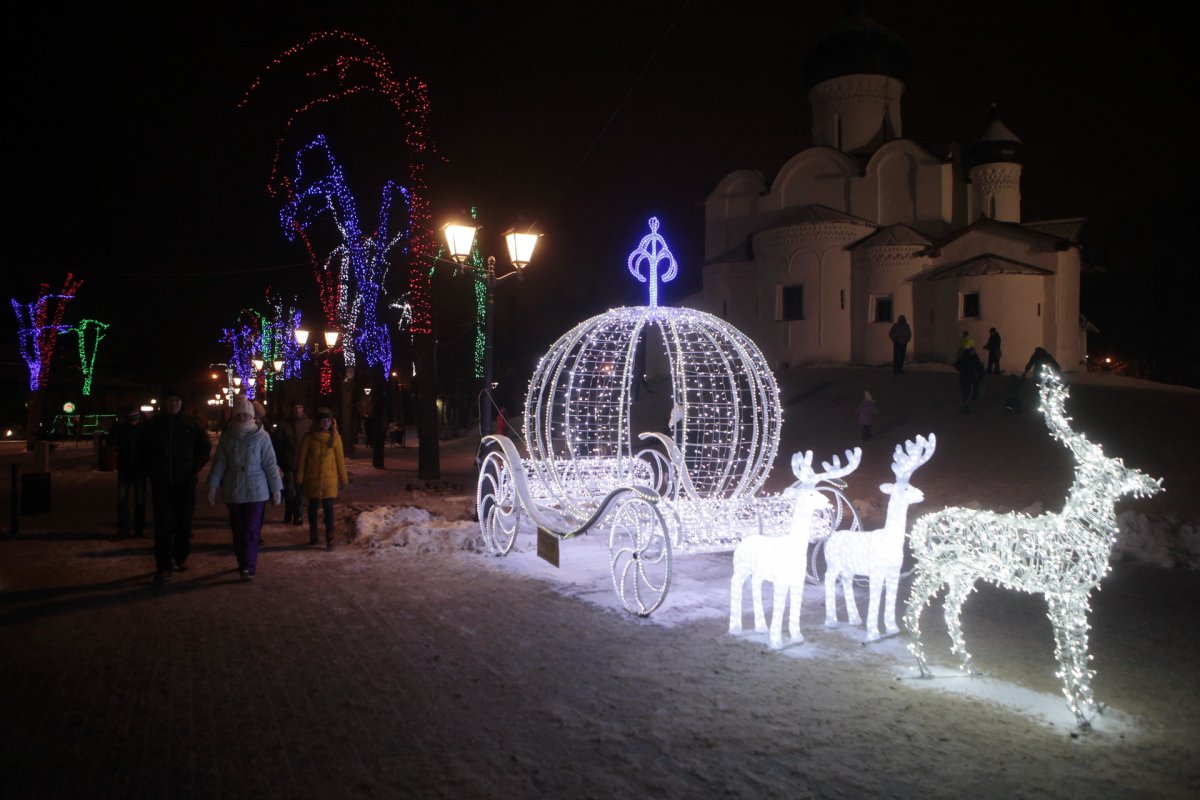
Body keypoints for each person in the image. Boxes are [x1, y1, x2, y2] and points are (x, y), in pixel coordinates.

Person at [139, 388, 211, 584]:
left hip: (185, 482)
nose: (173, 404)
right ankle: (163, 566)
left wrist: (194, 466)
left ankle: (181, 557)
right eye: (170, 400)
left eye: (177, 400)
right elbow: (142, 450)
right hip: (161, 482)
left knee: (183, 522)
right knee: (162, 525)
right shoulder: (153, 426)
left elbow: (204, 447)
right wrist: (150, 470)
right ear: (165, 403)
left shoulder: (191, 425)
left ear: (182, 403)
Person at [206, 395, 282, 580]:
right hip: (234, 490)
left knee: (251, 528)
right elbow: (220, 463)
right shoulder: (228, 437)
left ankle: (248, 566)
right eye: (238, 415)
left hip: (257, 490)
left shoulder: (262, 436)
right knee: (238, 529)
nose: (242, 418)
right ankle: (242, 562)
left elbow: (270, 464)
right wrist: (213, 485)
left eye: (245, 415)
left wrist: (276, 488)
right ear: (234, 417)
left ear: (252, 416)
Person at [297, 407, 349, 550]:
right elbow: (302, 461)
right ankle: (314, 535)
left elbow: (340, 460)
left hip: (329, 480)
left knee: (328, 509)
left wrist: (343, 479)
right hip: (313, 479)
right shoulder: (309, 438)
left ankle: (330, 538)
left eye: (328, 421)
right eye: (323, 421)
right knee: (313, 508)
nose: (326, 424)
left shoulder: (335, 437)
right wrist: (299, 480)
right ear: (318, 422)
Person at [106, 406, 146, 540]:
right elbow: (110, 441)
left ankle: (137, 529)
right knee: (123, 499)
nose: (133, 422)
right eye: (131, 420)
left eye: (134, 419)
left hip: (139, 469)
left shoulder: (143, 429)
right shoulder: (123, 429)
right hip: (126, 468)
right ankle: (125, 528)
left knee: (139, 500)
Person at [278, 401, 311, 526]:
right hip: (289, 463)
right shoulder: (285, 424)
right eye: (295, 407)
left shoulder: (308, 424)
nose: (297, 410)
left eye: (300, 407)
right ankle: (291, 511)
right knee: (290, 490)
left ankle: (296, 514)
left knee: (299, 491)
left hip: (303, 463)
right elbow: (279, 444)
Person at [954, 347, 985, 413]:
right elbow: (980, 368)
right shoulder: (973, 359)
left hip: (963, 379)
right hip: (970, 380)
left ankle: (966, 406)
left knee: (965, 393)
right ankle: (965, 407)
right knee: (969, 394)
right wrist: (981, 377)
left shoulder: (962, 359)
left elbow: (956, 366)